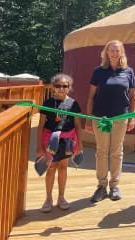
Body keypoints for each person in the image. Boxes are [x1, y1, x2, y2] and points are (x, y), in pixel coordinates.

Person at [85, 40, 135, 202]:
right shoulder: (99, 71)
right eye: (111, 50)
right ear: (106, 53)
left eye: (117, 50)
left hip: (120, 117)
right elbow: (91, 96)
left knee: (116, 151)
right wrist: (88, 119)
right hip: (101, 117)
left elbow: (133, 95)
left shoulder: (128, 72)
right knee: (101, 151)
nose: (114, 53)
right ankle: (101, 186)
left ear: (122, 53)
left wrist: (131, 117)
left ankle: (114, 185)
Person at [36, 73, 83, 213]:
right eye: (58, 86)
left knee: (63, 167)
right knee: (51, 168)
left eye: (65, 86)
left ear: (69, 88)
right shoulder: (48, 103)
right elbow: (40, 125)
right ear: (53, 88)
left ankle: (61, 197)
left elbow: (78, 125)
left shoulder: (73, 104)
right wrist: (39, 147)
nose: (61, 88)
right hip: (50, 140)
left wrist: (80, 145)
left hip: (67, 140)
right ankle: (48, 198)